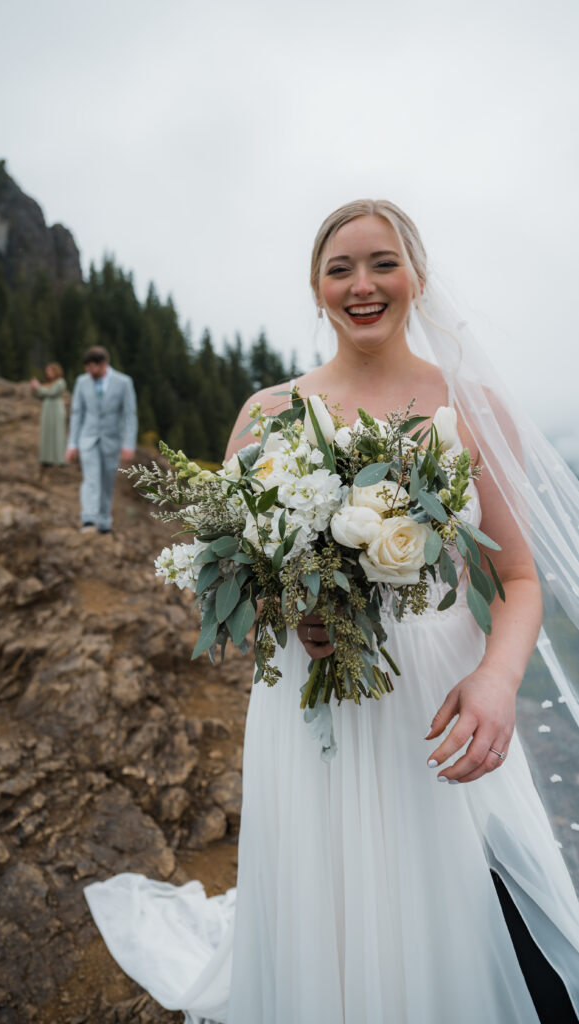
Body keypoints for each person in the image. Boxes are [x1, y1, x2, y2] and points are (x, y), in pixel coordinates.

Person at [84, 201, 579, 1022]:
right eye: (339, 268)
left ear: (416, 275)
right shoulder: (266, 415)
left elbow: (518, 581)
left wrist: (495, 680)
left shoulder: (466, 405)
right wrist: (287, 616)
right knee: (331, 901)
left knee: (457, 904)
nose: (362, 284)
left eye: (381, 262)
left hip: (436, 696)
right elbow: (238, 584)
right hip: (306, 712)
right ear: (315, 287)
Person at [66, 345, 137, 535]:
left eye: (92, 368)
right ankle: (88, 519)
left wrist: (128, 444)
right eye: (86, 368)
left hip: (112, 441)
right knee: (91, 478)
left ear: (103, 364)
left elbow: (129, 415)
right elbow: (77, 413)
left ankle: (104, 521)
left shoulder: (123, 382)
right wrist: (72, 444)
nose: (89, 372)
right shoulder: (82, 382)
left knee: (107, 481)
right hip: (87, 439)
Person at [30, 362, 67, 471]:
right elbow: (41, 394)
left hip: (56, 410)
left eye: (50, 371)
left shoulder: (60, 382)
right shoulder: (47, 384)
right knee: (47, 433)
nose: (48, 373)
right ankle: (47, 459)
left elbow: (51, 393)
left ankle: (60, 459)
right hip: (47, 410)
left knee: (58, 434)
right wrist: (34, 388)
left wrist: (38, 387)